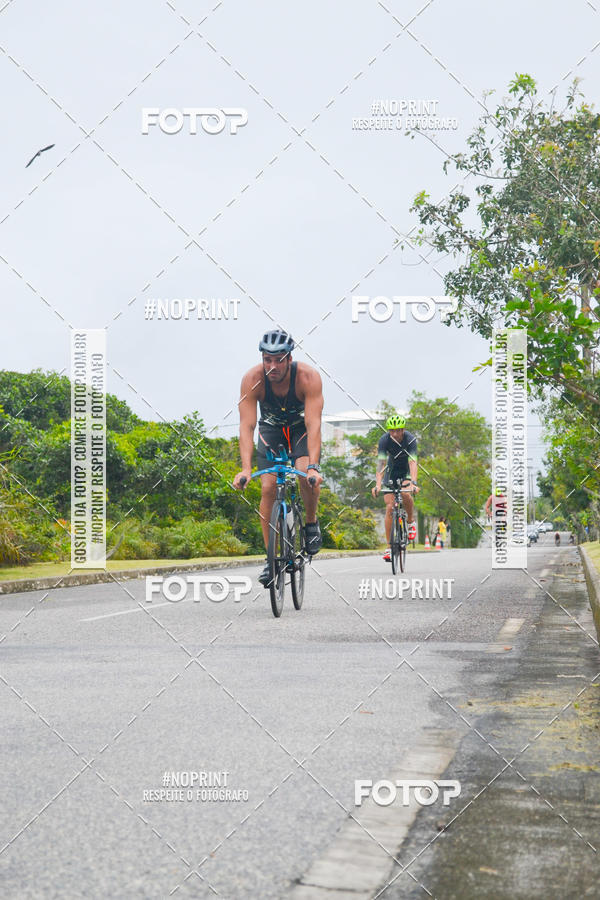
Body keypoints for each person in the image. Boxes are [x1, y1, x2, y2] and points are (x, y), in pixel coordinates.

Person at [233, 329, 324, 587]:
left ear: (289, 358)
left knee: (307, 476)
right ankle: (271, 560)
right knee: (268, 486)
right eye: (267, 359)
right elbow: (247, 426)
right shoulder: (252, 379)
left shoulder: (308, 378)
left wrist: (314, 468)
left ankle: (310, 523)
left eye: (278, 359)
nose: (272, 366)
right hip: (271, 431)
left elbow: (314, 423)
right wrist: (246, 469)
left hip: (300, 430)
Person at [371, 414, 419, 562]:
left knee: (405, 494)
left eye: (398, 430)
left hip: (406, 470)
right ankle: (389, 547)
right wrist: (378, 485)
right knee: (390, 507)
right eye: (392, 431)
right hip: (391, 472)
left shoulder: (410, 439)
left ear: (403, 429)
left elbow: (412, 462)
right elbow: (381, 464)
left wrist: (413, 483)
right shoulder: (384, 440)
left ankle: (410, 522)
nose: (395, 434)